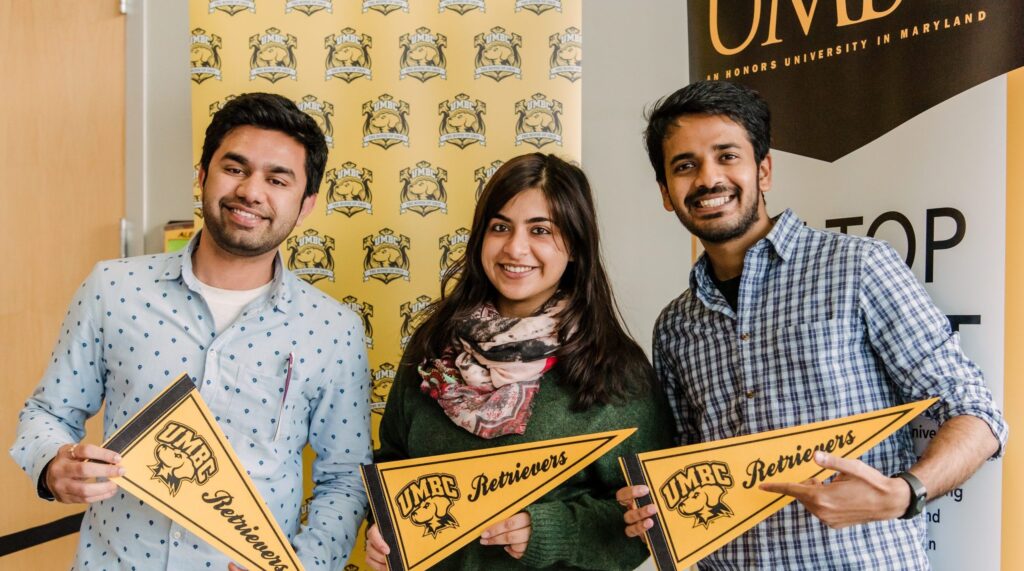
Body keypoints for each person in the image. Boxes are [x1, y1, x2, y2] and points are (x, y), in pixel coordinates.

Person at [615, 80, 1008, 568]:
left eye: (727, 156)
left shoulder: (858, 267)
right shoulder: (675, 325)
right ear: (666, 194)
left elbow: (977, 415)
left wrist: (905, 493)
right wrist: (652, 508)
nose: (708, 179)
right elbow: (687, 468)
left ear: (764, 170)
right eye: (685, 165)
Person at [10, 92, 372, 570]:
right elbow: (46, 412)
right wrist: (53, 463)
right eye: (235, 168)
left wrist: (304, 564)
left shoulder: (333, 330)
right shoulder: (113, 287)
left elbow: (345, 478)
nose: (251, 191)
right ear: (202, 175)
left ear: (305, 205)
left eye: (277, 179)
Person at [365, 153, 672, 570]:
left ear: (576, 248)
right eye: (500, 227)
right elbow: (392, 463)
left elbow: (647, 520)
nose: (515, 248)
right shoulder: (433, 343)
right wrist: (381, 528)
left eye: (541, 230)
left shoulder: (615, 369)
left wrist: (548, 530)